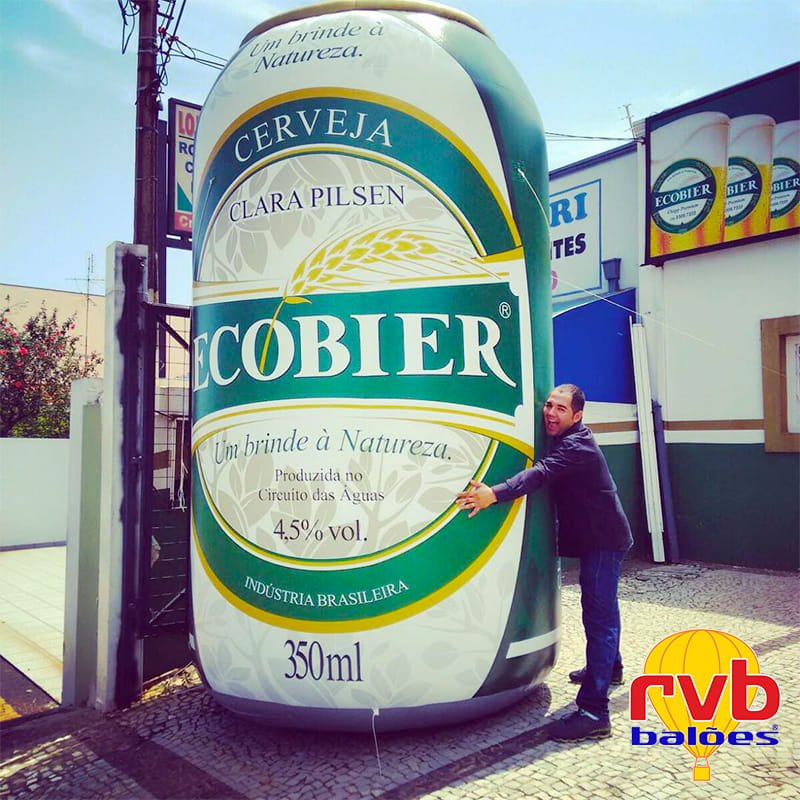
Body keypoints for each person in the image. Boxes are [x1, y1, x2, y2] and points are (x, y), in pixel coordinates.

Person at [455, 384, 632, 742]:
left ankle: (594, 713)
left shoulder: (577, 445)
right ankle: (611, 668)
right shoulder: (566, 438)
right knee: (602, 611)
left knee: (599, 617)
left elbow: (540, 473)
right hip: (596, 537)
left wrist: (494, 494)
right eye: (549, 405)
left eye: (560, 409)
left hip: (604, 541)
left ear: (577, 415)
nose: (550, 413)